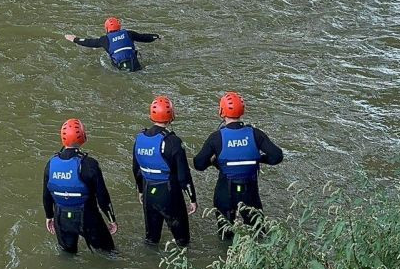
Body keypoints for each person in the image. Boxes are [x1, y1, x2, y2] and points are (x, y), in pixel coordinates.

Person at [192, 92, 283, 241]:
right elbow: (277, 156)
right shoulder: (255, 134)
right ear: (243, 111)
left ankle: (227, 260)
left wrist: (215, 162)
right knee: (258, 234)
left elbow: (198, 164)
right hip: (250, 193)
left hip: (225, 193)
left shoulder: (216, 138)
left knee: (226, 236)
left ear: (221, 112)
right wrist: (257, 158)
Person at [43, 118, 118, 255]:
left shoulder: (50, 164)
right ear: (83, 137)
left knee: (67, 256)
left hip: (61, 218)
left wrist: (49, 216)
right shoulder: (89, 164)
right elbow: (102, 197)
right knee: (109, 254)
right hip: (88, 217)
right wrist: (111, 220)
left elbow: (46, 195)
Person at [133, 96, 197, 248]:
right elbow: (183, 176)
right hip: (169, 194)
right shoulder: (173, 141)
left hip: (149, 191)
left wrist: (141, 191)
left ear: (151, 115)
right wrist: (192, 198)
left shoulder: (139, 139)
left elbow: (136, 169)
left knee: (151, 239)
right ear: (171, 117)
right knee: (183, 241)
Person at [64, 17, 160, 72]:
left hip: (120, 68)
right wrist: (156, 36)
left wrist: (75, 39)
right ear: (119, 27)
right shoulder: (128, 33)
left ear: (106, 29)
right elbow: (144, 37)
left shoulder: (104, 40)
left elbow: (89, 42)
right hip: (135, 65)